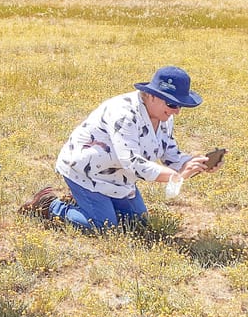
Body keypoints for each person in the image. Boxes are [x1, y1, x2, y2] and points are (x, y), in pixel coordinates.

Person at [19, 65, 220, 230]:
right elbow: (133, 163)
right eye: (172, 104)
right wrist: (177, 176)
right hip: (85, 171)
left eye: (180, 105)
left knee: (136, 223)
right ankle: (50, 205)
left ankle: (84, 201)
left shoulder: (164, 116)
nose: (177, 111)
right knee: (103, 227)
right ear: (152, 96)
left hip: (119, 177)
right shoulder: (124, 114)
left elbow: (171, 154)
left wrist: (196, 164)